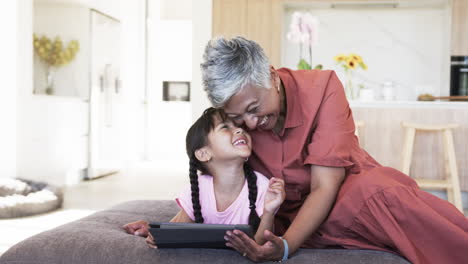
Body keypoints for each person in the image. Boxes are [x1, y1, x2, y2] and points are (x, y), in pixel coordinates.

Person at [200, 36, 468, 263]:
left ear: (271, 77)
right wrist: (173, 226)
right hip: (280, 213)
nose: (249, 124)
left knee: (382, 195)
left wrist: (285, 247)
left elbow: (324, 187)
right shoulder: (231, 118)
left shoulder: (323, 87)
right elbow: (209, 166)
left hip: (341, 195)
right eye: (237, 118)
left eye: (254, 109)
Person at [123, 107, 285, 247]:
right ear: (203, 153)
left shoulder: (262, 187)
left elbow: (260, 245)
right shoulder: (199, 189)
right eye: (225, 127)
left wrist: (269, 211)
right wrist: (150, 229)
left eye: (238, 126)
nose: (239, 130)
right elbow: (175, 228)